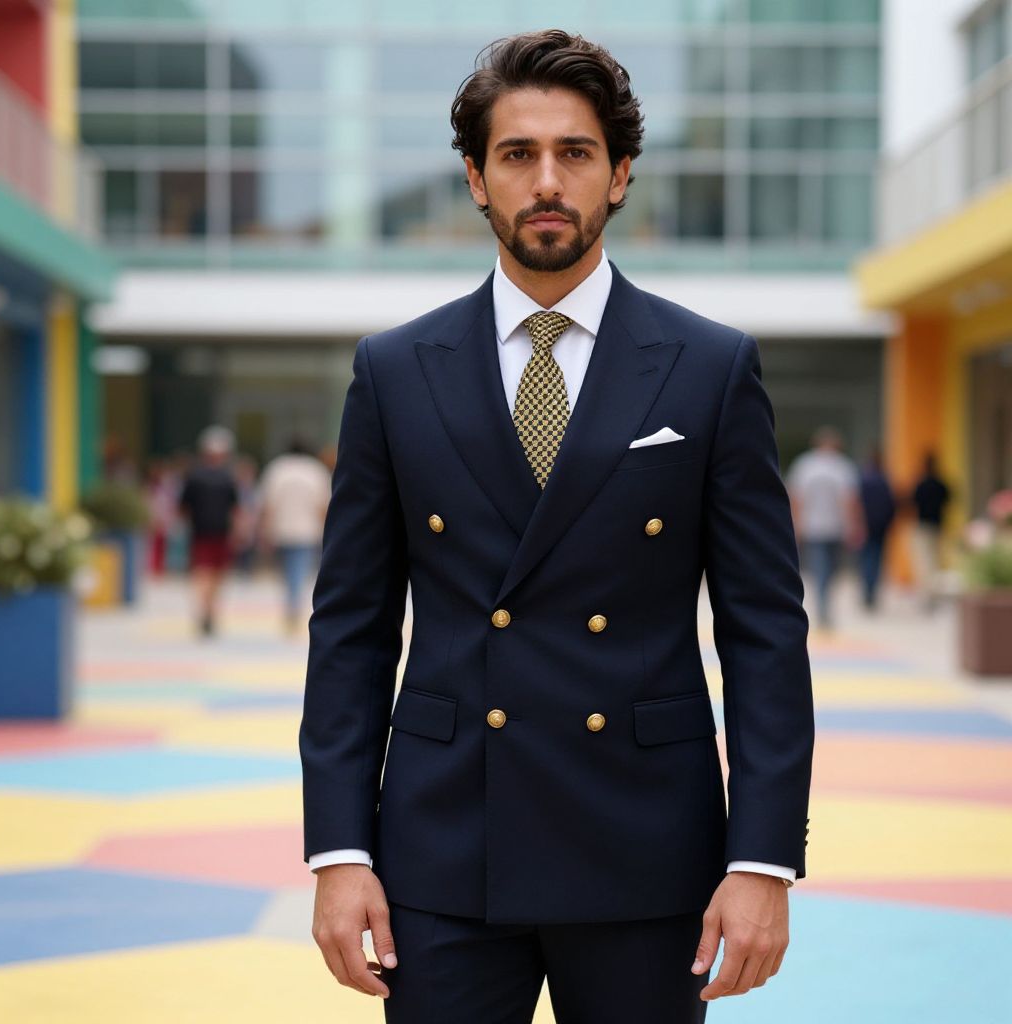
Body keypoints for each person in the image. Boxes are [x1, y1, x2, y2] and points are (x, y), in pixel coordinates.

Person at [301, 30, 814, 1024]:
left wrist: (761, 859)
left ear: (619, 175)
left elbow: (764, 629)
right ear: (475, 179)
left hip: (647, 854)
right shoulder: (395, 370)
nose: (547, 180)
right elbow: (352, 628)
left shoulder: (708, 367)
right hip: (442, 850)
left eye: (575, 153)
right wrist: (338, 850)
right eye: (517, 154)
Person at [787, 426, 865, 630]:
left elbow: (797, 498)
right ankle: (824, 609)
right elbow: (849, 500)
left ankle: (824, 606)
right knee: (828, 569)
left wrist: (797, 523)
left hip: (814, 526)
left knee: (823, 569)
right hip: (834, 527)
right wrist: (853, 525)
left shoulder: (805, 465)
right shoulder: (843, 467)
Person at [256, 436, 332, 632]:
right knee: (298, 569)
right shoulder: (315, 470)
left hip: (281, 528)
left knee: (288, 571)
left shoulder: (277, 468)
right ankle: (293, 606)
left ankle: (291, 605)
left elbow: (268, 503)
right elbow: (322, 504)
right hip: (307, 529)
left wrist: (265, 528)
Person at [177, 425, 239, 637]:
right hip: (220, 532)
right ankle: (210, 610)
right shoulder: (227, 477)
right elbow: (236, 509)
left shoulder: (194, 477)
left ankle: (204, 610)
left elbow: (183, 507)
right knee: (216, 575)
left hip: (200, 532)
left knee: (202, 573)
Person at [910, 452, 951, 611]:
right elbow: (949, 500)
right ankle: (933, 594)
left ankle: (927, 594)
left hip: (923, 526)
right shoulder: (941, 483)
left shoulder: (921, 484)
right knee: (935, 561)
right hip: (938, 525)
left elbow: (912, 501)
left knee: (924, 562)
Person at [858, 446, 896, 610]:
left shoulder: (863, 480)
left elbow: (857, 504)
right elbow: (891, 504)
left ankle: (867, 592)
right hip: (880, 526)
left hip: (866, 525)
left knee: (866, 558)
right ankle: (871, 592)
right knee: (877, 558)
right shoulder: (883, 481)